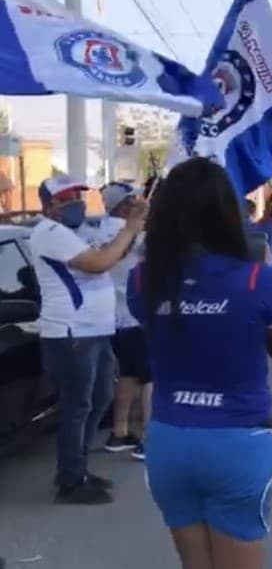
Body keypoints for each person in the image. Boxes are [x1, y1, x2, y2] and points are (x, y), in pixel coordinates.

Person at [128, 157, 272, 569]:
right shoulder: (254, 280)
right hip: (237, 442)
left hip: (168, 439)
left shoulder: (144, 279)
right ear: (228, 213)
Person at [30, 175, 145, 504]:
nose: (76, 203)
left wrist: (130, 227)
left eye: (79, 196)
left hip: (92, 330)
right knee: (77, 406)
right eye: (67, 198)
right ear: (50, 206)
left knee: (99, 398)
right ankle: (70, 482)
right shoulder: (50, 233)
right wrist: (129, 230)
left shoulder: (70, 233)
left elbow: (112, 256)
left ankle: (77, 469)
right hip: (72, 331)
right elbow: (99, 263)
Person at [79, 182, 151, 461]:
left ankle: (119, 432)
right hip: (135, 315)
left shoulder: (89, 231)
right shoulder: (133, 234)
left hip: (107, 317)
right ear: (122, 204)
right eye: (133, 199)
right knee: (149, 378)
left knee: (128, 376)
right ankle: (147, 437)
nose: (137, 202)